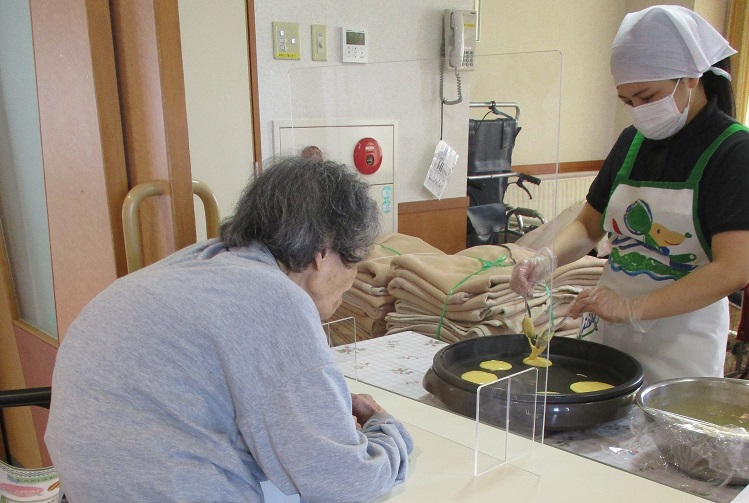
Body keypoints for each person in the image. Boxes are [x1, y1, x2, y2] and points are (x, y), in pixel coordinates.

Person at [45, 157, 414, 502]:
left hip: (82, 485)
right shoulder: (275, 299)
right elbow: (344, 480)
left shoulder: (202, 260)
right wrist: (386, 429)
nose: (351, 283)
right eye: (354, 263)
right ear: (323, 251)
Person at [510, 5, 749, 385]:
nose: (638, 111)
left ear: (690, 77)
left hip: (680, 349)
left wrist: (635, 308)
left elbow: (733, 268)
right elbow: (589, 227)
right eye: (627, 102)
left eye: (647, 96)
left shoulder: (733, 151)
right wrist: (545, 259)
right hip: (611, 336)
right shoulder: (631, 143)